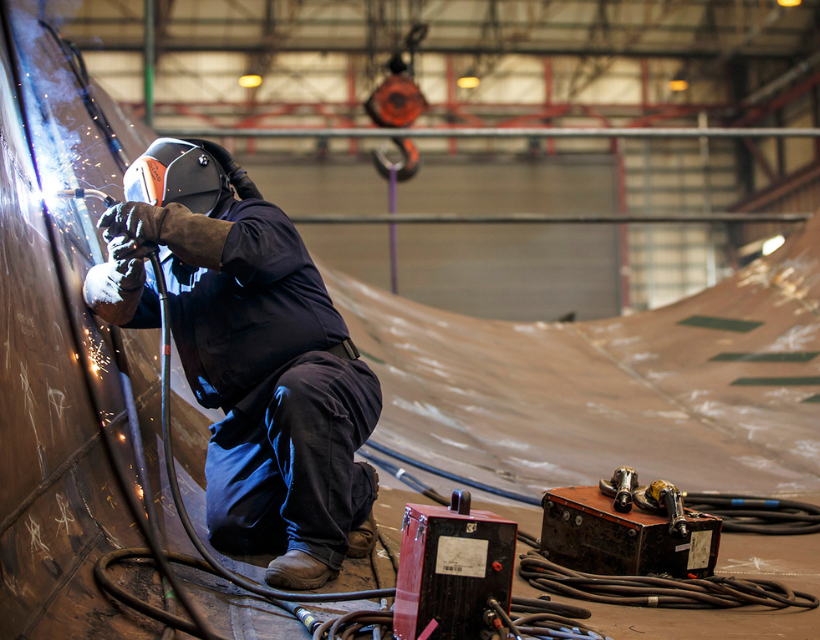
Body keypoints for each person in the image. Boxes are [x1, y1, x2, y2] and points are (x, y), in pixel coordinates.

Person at [83, 138, 382, 590]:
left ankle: (317, 546)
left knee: (299, 391)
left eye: (150, 186)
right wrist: (123, 270)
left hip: (327, 381)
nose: (145, 200)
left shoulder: (257, 219)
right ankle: (352, 490)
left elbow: (239, 250)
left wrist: (162, 225)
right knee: (232, 528)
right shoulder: (172, 265)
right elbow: (113, 306)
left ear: (189, 172)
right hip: (251, 414)